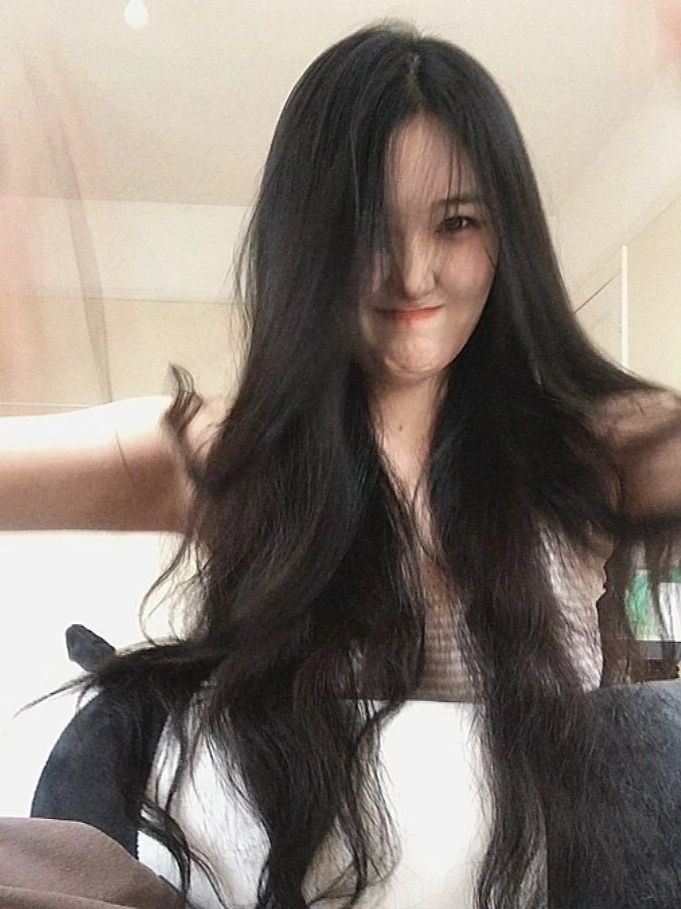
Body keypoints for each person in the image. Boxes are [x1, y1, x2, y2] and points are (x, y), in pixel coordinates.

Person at [3, 18, 681, 909]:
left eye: (456, 222)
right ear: (308, 239)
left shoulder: (596, 444)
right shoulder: (216, 452)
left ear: (505, 236)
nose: (413, 274)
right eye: (367, 227)